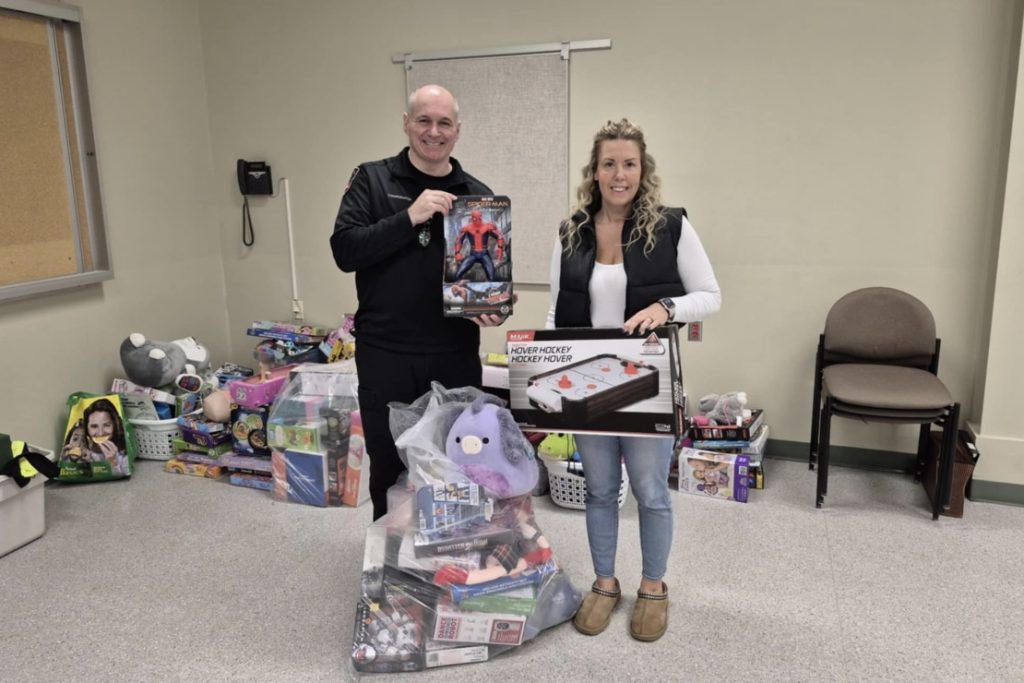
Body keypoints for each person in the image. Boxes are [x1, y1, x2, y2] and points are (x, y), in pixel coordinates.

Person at [546, 118, 722, 642]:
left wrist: (665, 306)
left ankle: (652, 587)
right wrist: (550, 378)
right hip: (586, 385)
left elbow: (710, 296)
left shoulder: (670, 226)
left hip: (647, 380)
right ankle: (604, 584)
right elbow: (557, 316)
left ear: (642, 170)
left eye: (629, 164)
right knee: (600, 491)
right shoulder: (571, 231)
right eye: (608, 164)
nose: (618, 174)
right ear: (594, 172)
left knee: (650, 492)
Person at [331, 85, 509, 520]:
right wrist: (409, 217)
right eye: (424, 120)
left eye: (444, 122)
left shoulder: (477, 195)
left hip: (454, 355)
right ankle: (390, 570)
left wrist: (495, 305)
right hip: (386, 354)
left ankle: (444, 566)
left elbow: (486, 277)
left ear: (458, 130)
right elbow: (345, 250)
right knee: (390, 468)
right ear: (406, 123)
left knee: (457, 465)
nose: (434, 131)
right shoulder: (372, 180)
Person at [83, 398, 129, 475]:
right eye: (94, 426)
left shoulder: (125, 455)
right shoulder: (83, 451)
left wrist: (113, 464)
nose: (100, 433)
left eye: (107, 425)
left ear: (115, 425)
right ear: (86, 428)